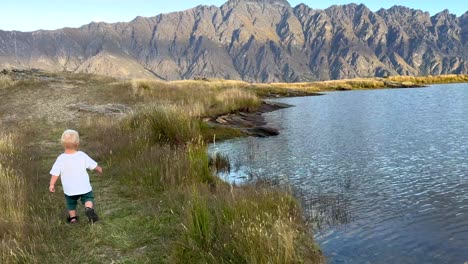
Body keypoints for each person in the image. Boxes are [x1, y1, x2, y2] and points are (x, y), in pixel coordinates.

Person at [49, 129, 103, 223]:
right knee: (88, 198)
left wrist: (52, 184)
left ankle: (73, 218)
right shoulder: (82, 155)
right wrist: (98, 168)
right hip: (83, 186)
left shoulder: (61, 158)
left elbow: (55, 173)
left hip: (69, 188)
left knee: (70, 203)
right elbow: (93, 165)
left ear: (62, 144)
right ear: (77, 144)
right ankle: (88, 208)